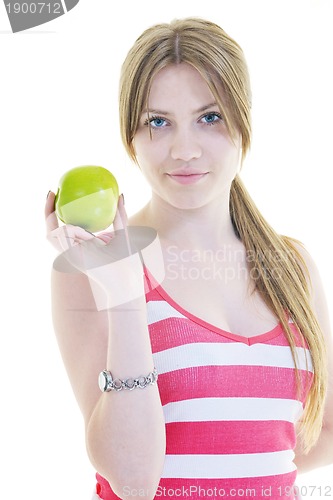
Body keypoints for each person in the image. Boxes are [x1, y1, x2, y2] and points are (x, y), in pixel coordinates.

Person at [45, 17, 333, 500]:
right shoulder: (90, 267)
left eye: (210, 117)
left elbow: (317, 434)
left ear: (244, 124)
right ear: (130, 138)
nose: (184, 150)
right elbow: (134, 480)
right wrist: (123, 292)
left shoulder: (291, 265)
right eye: (158, 122)